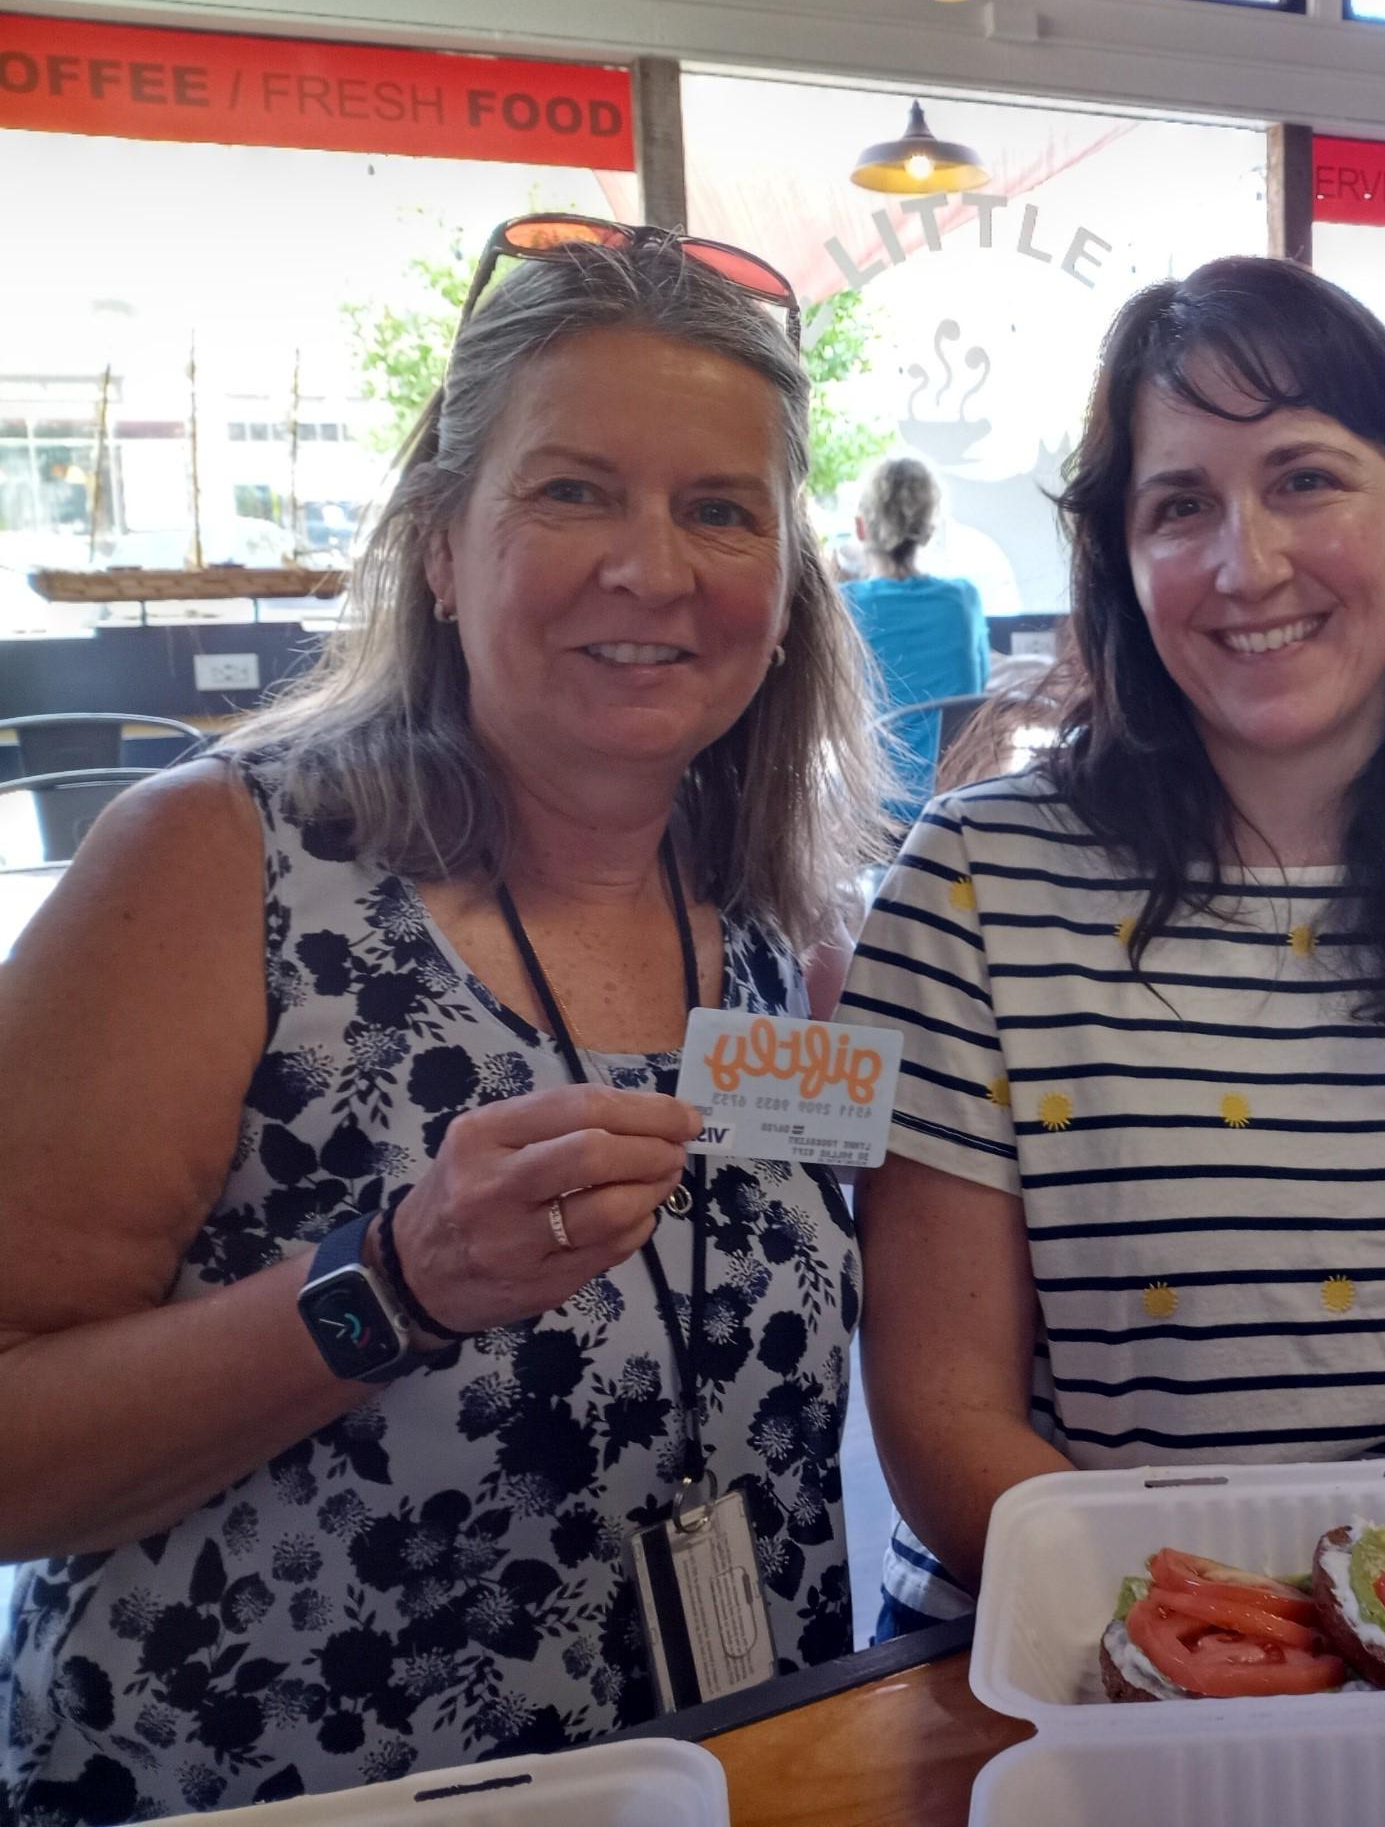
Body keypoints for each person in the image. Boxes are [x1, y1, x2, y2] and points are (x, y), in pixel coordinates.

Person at [0, 219, 892, 1822]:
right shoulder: (220, 863)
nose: (653, 569)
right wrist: (391, 1283)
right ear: (438, 544)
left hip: (720, 1774)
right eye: (572, 491)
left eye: (719, 510)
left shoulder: (784, 921)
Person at [846, 256, 1385, 1637]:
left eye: (1306, 480)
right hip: (1070, 1653)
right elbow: (945, 1424)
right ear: (1123, 561)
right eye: (1179, 505)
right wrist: (1257, 1658)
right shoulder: (970, 881)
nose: (1244, 563)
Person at [842, 457, 988, 813]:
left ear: (861, 528)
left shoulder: (845, 607)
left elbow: (832, 713)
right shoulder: (963, 598)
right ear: (930, 529)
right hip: (956, 807)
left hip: (875, 815)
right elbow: (979, 690)